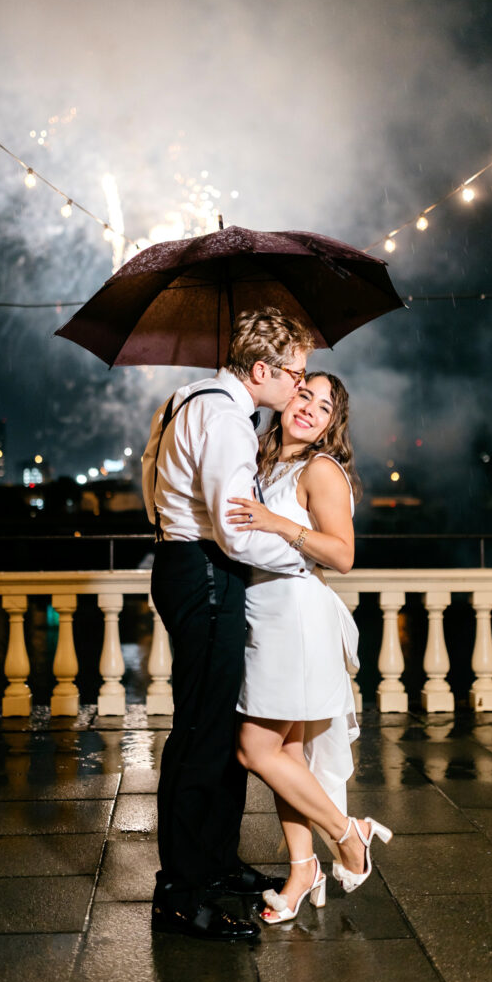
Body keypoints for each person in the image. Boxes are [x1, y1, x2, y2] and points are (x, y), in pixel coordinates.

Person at [141, 307, 315, 941]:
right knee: (201, 733)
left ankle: (214, 864)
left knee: (220, 725)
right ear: (262, 369)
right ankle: (181, 894)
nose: (301, 385)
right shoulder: (223, 417)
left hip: (191, 565)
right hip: (206, 572)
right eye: (294, 373)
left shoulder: (192, 397)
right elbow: (238, 532)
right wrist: (303, 552)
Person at [227, 372, 392, 924]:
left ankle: (350, 834)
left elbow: (343, 556)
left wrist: (275, 522)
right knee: (287, 756)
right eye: (305, 395)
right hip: (264, 614)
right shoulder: (261, 459)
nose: (310, 410)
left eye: (324, 408)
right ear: (287, 398)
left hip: (294, 620)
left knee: (255, 749)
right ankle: (303, 871)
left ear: (330, 426)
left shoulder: (321, 469)